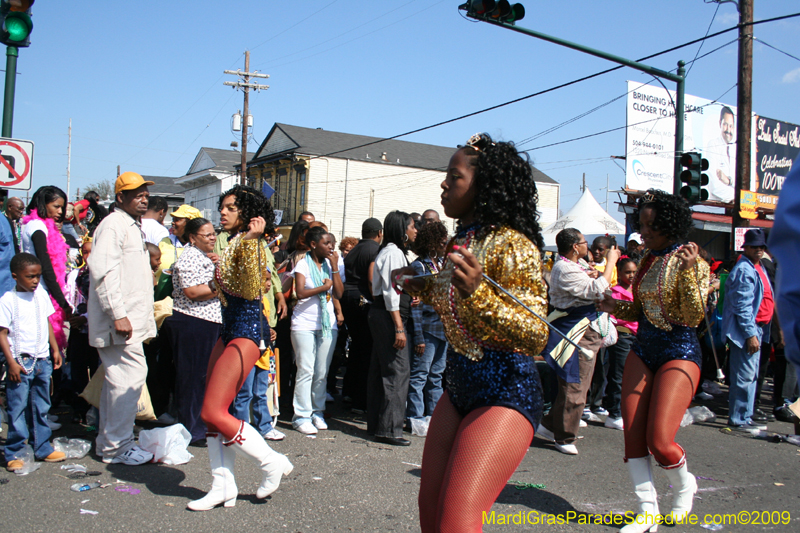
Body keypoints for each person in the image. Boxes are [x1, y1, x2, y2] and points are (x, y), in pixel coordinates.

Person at [397, 133, 549, 532]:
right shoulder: (464, 240)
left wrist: (479, 293)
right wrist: (422, 287)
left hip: (505, 390)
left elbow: (536, 333)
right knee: (430, 511)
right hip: (460, 384)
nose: (444, 184)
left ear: (483, 186)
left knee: (457, 522)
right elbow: (454, 298)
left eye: (454, 176)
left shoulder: (513, 245)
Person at [597, 188, 709, 529]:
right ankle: (647, 512)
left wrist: (689, 272)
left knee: (660, 440)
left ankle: (684, 485)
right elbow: (645, 311)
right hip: (644, 348)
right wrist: (617, 307)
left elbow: (692, 317)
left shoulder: (694, 261)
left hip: (680, 351)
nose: (642, 231)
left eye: (649, 224)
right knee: (632, 433)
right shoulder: (647, 259)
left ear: (669, 223)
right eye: (640, 223)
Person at [189, 184, 292, 512]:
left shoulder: (255, 245)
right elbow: (223, 287)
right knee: (211, 418)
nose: (223, 212)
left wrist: (245, 243)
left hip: (248, 333)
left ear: (248, 214)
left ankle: (271, 462)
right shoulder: (235, 243)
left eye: (231, 208)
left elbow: (248, 288)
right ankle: (223, 486)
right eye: (223, 206)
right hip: (229, 330)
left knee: (213, 412)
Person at [87, 171, 157, 466]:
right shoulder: (113, 225)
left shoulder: (130, 226)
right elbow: (103, 273)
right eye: (137, 195)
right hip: (121, 321)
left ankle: (110, 443)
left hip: (130, 320)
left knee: (120, 380)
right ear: (120, 198)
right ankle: (117, 446)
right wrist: (118, 314)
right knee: (128, 380)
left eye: (145, 195)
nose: (143, 199)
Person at [538, 228, 619, 455]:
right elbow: (595, 290)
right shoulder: (564, 267)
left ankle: (549, 425)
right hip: (575, 330)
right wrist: (611, 263)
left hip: (586, 329)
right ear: (575, 247)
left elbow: (595, 285)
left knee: (576, 383)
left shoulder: (575, 265)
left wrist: (595, 274)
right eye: (584, 242)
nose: (588, 246)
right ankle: (564, 437)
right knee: (575, 383)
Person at [0, 253, 67, 470]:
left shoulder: (41, 295)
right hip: (20, 361)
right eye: (30, 277)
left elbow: (46, 321)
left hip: (42, 360)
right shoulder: (8, 300)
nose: (35, 281)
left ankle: (42, 447)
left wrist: (55, 348)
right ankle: (15, 451)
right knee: (17, 407)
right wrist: (10, 362)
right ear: (15, 276)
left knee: (41, 405)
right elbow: (2, 333)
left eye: (38, 276)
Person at [168, 217, 222, 446]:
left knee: (205, 377)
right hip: (193, 322)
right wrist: (220, 283)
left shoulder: (204, 257)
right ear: (192, 238)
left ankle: (204, 425)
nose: (212, 238)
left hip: (209, 322)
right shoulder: (188, 258)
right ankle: (193, 429)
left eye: (213, 234)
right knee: (193, 378)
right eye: (207, 235)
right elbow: (192, 292)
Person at [367, 210, 417, 446]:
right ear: (402, 231)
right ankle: (389, 429)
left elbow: (400, 287)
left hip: (383, 314)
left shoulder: (392, 253)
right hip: (388, 317)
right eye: (412, 226)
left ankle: (378, 424)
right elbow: (391, 292)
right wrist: (398, 327)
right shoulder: (393, 253)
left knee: (381, 370)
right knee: (397, 371)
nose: (415, 230)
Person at [290, 226, 343, 434]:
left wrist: (336, 267)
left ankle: (317, 412)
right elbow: (300, 292)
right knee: (306, 370)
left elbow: (338, 292)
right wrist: (323, 287)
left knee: (322, 372)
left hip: (327, 325)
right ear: (313, 245)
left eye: (332, 243)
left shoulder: (331, 266)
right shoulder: (303, 264)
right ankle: (301, 416)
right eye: (326, 243)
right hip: (304, 324)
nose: (331, 246)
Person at [723, 228, 772, 431]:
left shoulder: (756, 266)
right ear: (746, 247)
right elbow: (742, 306)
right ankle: (739, 419)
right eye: (754, 246)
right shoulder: (745, 269)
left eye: (761, 247)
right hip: (747, 331)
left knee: (750, 376)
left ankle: (745, 416)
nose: (758, 250)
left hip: (757, 329)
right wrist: (750, 334)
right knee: (744, 377)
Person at [21, 186, 73, 351]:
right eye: (56, 206)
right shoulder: (37, 226)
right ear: (43, 204)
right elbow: (46, 265)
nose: (60, 211)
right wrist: (62, 301)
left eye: (62, 207)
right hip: (39, 291)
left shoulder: (40, 226)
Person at [407, 220, 448, 425]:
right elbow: (415, 304)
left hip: (443, 329)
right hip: (427, 329)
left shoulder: (441, 264)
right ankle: (415, 416)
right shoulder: (418, 266)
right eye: (442, 242)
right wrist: (419, 337)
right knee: (420, 375)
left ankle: (434, 417)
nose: (445, 244)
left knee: (436, 376)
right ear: (432, 243)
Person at [340, 218, 383, 414]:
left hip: (347, 299)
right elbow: (372, 278)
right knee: (366, 349)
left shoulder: (355, 249)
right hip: (363, 300)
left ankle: (348, 392)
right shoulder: (374, 250)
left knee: (356, 347)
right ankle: (360, 400)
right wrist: (377, 301)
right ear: (379, 233)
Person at [65, 238, 100, 424]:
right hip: (78, 331)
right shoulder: (74, 275)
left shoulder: (100, 275)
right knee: (77, 370)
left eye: (91, 252)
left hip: (95, 329)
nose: (87, 256)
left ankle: (95, 409)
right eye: (84, 253)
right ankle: (79, 408)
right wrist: (72, 317)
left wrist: (85, 318)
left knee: (96, 371)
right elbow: (68, 297)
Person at [602, 256, 638, 431]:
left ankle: (625, 410)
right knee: (618, 375)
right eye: (627, 272)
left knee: (632, 376)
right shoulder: (615, 291)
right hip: (623, 337)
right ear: (620, 273)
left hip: (637, 337)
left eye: (633, 272)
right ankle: (614, 413)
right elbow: (614, 316)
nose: (631, 275)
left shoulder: (638, 290)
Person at [704, 106, 736, 203]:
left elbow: (748, 184)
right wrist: (737, 195)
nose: (728, 130)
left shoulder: (736, 149)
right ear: (720, 124)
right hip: (715, 206)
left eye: (731, 126)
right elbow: (714, 186)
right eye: (725, 125)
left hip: (734, 208)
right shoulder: (713, 145)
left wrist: (729, 181)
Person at [158, 204, 202, 271]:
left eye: (177, 220)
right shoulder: (164, 242)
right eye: (173, 219)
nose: (173, 222)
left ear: (190, 224)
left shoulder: (201, 246)